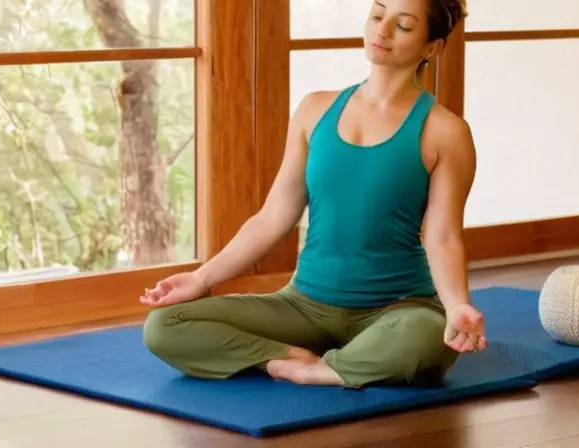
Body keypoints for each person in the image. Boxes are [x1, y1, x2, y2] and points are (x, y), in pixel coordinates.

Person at [140, 0, 483, 389]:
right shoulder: (314, 110)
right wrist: (201, 279)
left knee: (428, 338)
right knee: (165, 325)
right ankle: (290, 360)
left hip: (398, 309)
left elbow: (442, 236)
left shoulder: (446, 132)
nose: (382, 30)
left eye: (403, 25)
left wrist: (456, 306)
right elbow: (273, 218)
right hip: (302, 306)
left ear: (431, 48)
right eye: (376, 15)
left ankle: (316, 370)